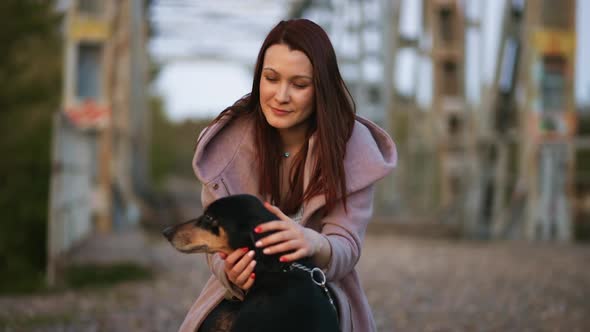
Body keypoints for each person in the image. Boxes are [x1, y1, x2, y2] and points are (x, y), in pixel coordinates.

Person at [179, 19, 397, 332]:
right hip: (245, 291)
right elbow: (216, 236)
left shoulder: (352, 146)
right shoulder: (226, 144)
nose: (281, 95)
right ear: (259, 78)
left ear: (320, 88)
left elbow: (347, 246)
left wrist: (314, 242)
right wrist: (230, 272)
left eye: (299, 84)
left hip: (318, 284)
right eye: (271, 78)